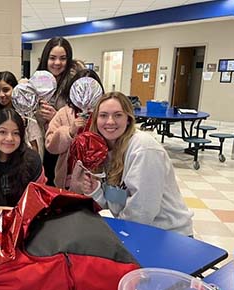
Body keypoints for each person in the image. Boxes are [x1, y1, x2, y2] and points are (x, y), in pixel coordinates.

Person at [70, 92, 193, 236]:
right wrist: (96, 190)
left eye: (117, 115)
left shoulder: (144, 149)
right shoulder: (103, 149)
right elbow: (118, 203)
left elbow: (142, 211)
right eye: (103, 115)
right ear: (95, 120)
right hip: (138, 229)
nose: (110, 121)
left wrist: (118, 235)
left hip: (169, 235)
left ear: (128, 119)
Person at [46, 69, 105, 189]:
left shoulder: (103, 115)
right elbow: (50, 145)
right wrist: (69, 132)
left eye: (90, 90)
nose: (85, 94)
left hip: (96, 181)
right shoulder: (64, 113)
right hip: (66, 179)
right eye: (81, 89)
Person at [36, 36, 74, 185]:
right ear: (46, 58)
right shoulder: (36, 82)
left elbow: (76, 118)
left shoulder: (73, 85)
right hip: (38, 144)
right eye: (52, 58)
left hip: (60, 148)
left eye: (63, 58)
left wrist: (56, 117)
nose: (57, 63)